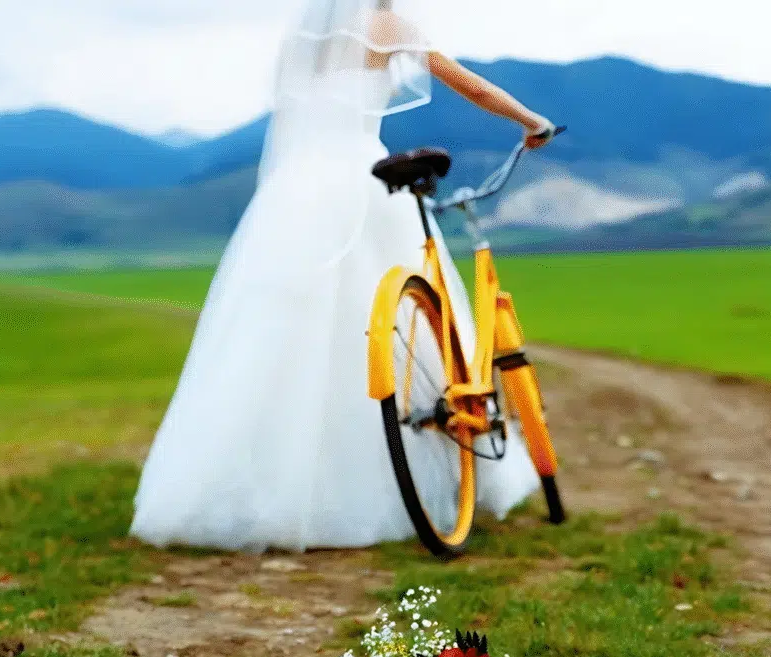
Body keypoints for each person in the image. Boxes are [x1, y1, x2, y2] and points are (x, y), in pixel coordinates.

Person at [129, 0, 558, 553]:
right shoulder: (388, 25)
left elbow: (292, 115)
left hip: (297, 193)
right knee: (410, 324)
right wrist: (531, 122)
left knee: (274, 337)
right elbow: (467, 85)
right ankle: (432, 468)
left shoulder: (300, 38)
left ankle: (244, 487)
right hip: (363, 183)